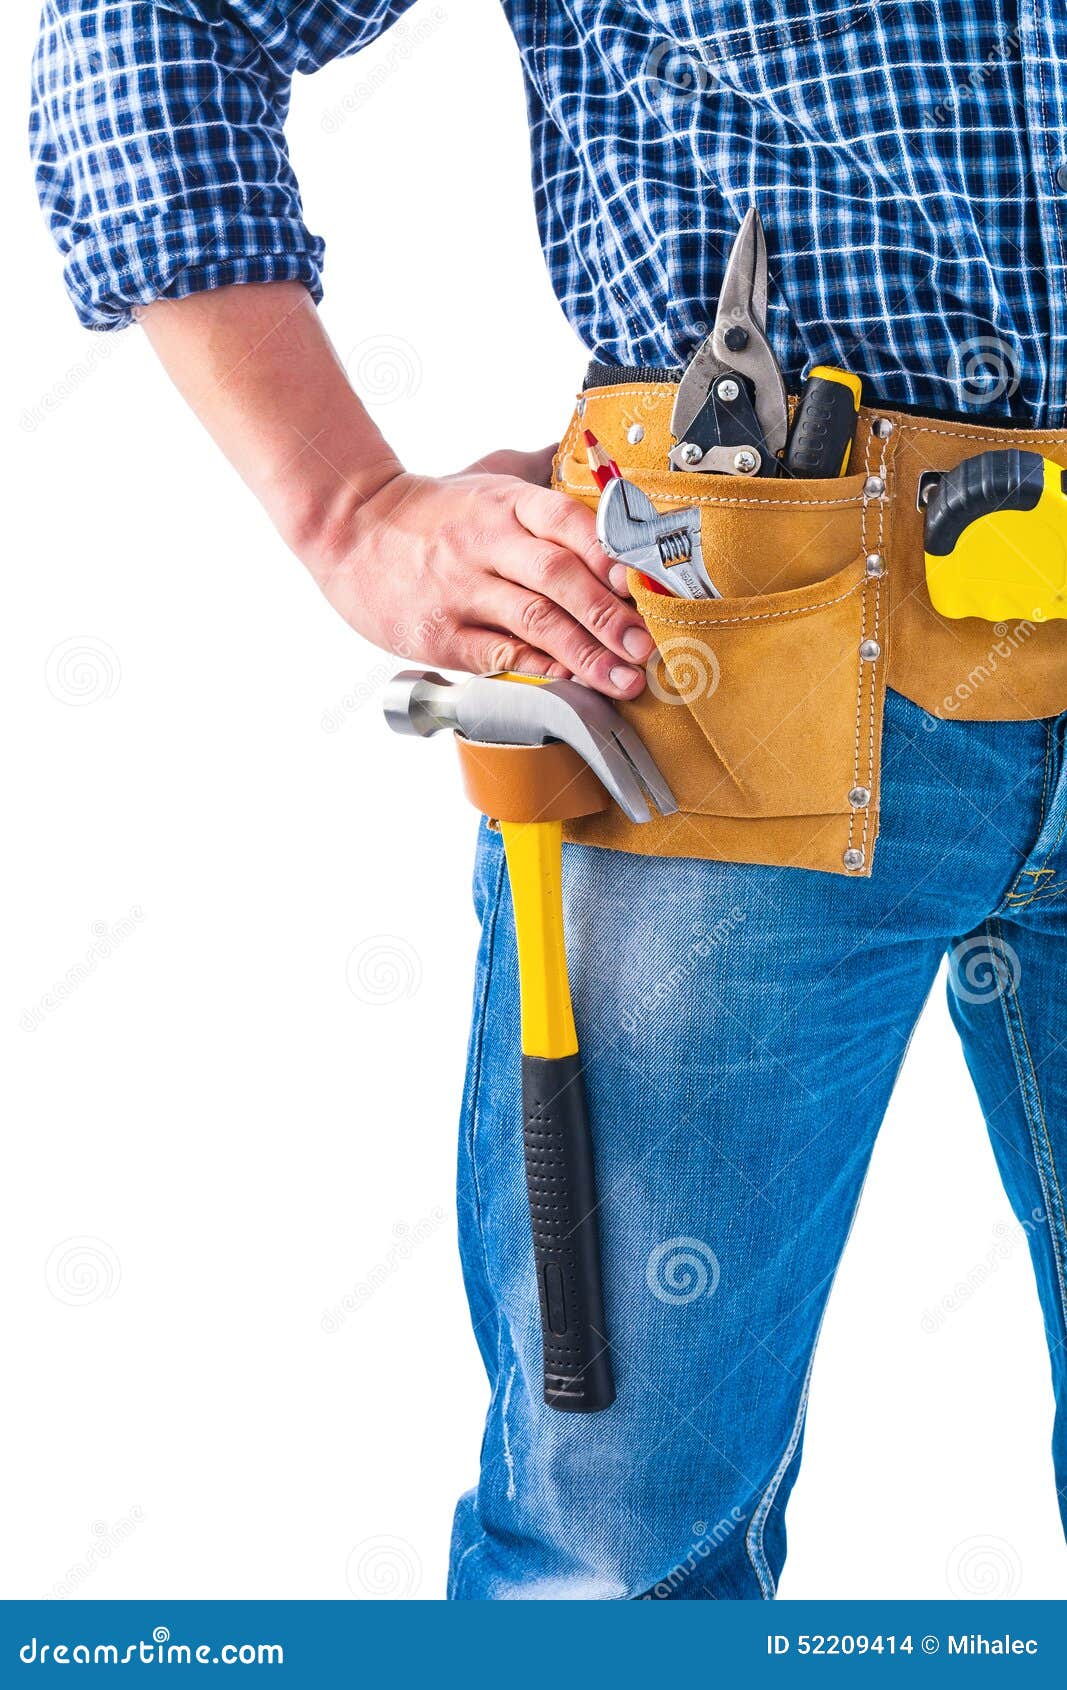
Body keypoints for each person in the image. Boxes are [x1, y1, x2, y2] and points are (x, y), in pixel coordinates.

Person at [31, 1, 1067, 1599]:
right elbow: (152, 22)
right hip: (727, 674)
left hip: (746, 659)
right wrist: (350, 509)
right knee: (618, 1552)